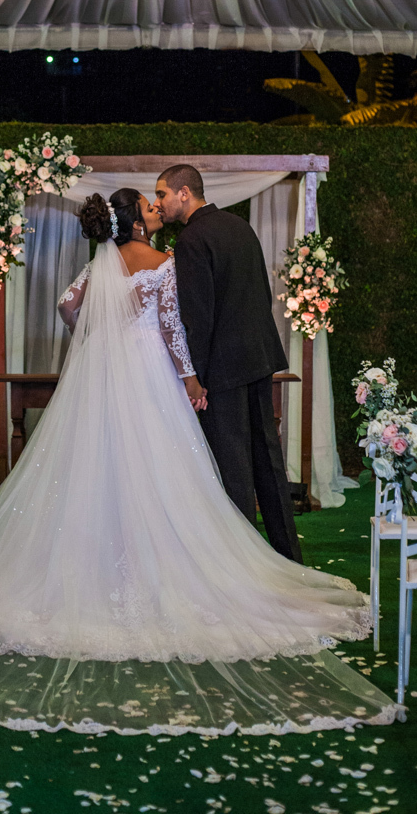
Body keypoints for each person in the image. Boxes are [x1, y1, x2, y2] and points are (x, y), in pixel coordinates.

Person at [0, 189, 397, 736]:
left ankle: (94, 568)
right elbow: (173, 328)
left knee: (94, 468)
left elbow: (67, 306)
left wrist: (97, 333)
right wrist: (191, 379)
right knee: (160, 470)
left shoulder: (99, 263)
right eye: (149, 206)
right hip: (150, 375)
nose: (156, 209)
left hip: (102, 373)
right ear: (139, 224)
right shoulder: (162, 262)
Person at [154, 164, 302, 562]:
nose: (158, 202)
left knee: (234, 468)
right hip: (258, 357)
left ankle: (246, 564)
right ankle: (289, 556)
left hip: (223, 369)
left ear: (184, 193)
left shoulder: (191, 239)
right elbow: (261, 293)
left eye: (162, 194)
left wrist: (195, 378)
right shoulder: (239, 226)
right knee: (269, 461)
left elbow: (197, 316)